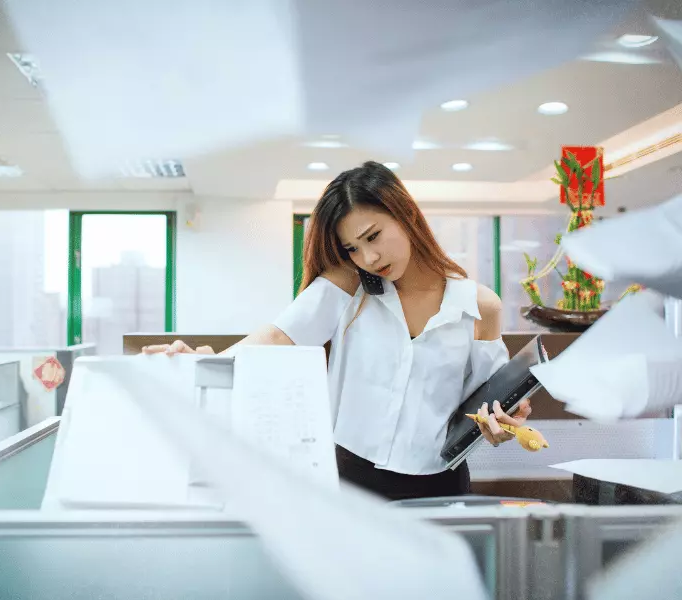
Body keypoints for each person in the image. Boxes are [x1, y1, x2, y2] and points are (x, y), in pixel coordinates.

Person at [144, 160, 531, 501]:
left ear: (406, 215)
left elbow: (486, 405)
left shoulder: (479, 306)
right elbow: (278, 336)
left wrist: (504, 421)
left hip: (440, 484)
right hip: (347, 481)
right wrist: (207, 360)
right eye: (352, 248)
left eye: (373, 236)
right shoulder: (347, 287)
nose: (368, 258)